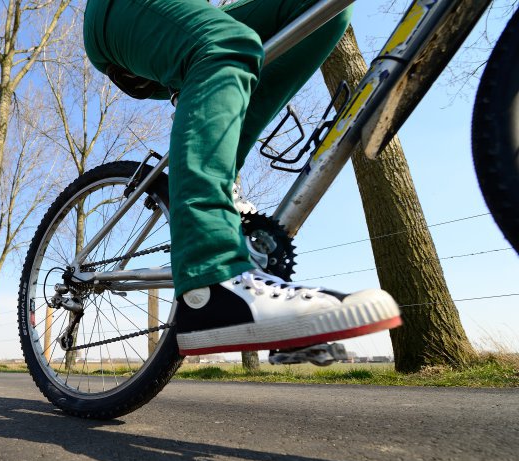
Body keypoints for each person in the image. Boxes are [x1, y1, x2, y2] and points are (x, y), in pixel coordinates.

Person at [83, 0, 402, 355]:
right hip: (119, 13)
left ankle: (224, 192)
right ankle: (212, 276)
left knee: (325, 10)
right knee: (224, 43)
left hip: (183, 13)